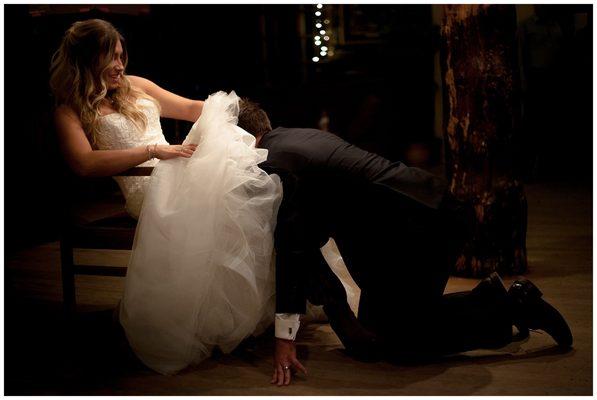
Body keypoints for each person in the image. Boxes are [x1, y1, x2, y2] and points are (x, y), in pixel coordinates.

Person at [236, 99, 573, 386]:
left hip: (421, 229)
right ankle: (491, 299)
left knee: (399, 344)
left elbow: (292, 248)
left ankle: (512, 305)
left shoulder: (275, 160)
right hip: (414, 220)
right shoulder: (292, 139)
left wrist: (285, 338)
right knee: (375, 332)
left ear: (242, 139)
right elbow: (309, 229)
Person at [50, 19, 284, 375]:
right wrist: (154, 151)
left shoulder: (136, 87)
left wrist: (234, 121)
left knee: (245, 181)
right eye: (109, 57)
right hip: (148, 192)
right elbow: (84, 163)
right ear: (85, 60)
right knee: (233, 192)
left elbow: (192, 109)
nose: (119, 65)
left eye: (120, 55)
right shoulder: (69, 110)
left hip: (177, 172)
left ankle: (261, 303)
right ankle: (223, 314)